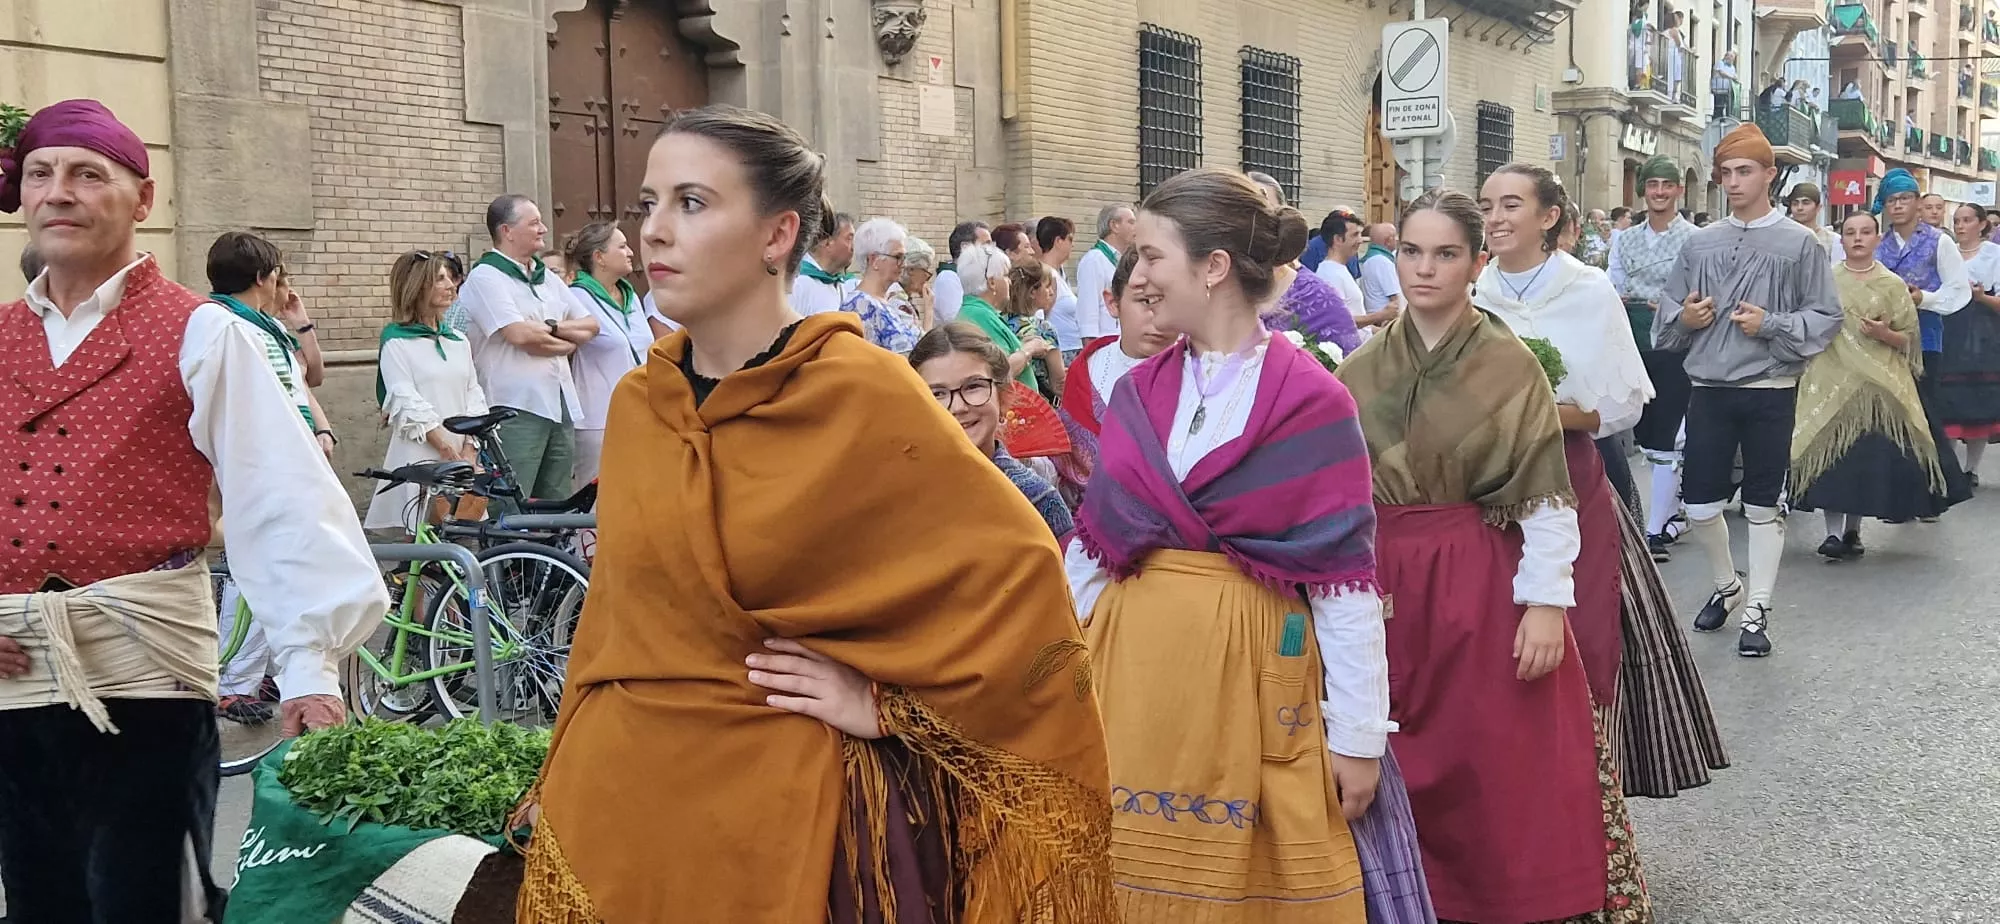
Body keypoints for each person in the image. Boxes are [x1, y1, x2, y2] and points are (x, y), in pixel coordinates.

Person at [516, 103, 1113, 923]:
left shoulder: (864, 395)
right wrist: (564, 770)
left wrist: (887, 705)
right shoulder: (639, 405)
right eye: (648, 204)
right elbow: (617, 614)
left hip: (797, 822)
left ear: (776, 235)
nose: (654, 230)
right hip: (623, 818)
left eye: (691, 203)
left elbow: (1016, 580)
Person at [0, 97, 386, 922]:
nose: (58, 192)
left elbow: (278, 495)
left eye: (86, 174)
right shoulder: (0, 339)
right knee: (35, 899)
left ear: (142, 200)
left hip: (149, 676)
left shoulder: (205, 334)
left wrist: (309, 666)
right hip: (14, 673)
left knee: (144, 901)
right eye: (41, 173)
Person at [1069, 166, 1431, 924]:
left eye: (1153, 255)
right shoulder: (1138, 392)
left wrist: (1360, 734)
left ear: (1214, 267)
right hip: (1129, 679)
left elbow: (1343, 584)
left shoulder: (1312, 401)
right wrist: (1051, 677)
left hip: (1252, 678)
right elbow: (1093, 556)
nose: (1139, 274)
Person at [1337, 187, 1650, 924]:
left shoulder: (1509, 365)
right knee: (1394, 745)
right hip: (1386, 582)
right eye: (1411, 251)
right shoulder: (1361, 368)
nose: (1424, 269)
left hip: (1480, 577)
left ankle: (1504, 901)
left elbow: (1544, 497)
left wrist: (1545, 604)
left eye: (1446, 254)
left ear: (1477, 263)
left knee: (1490, 755)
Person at [1473, 164, 1727, 800]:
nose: (1496, 218)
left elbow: (1618, 407)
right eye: (1487, 206)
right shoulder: (1475, 292)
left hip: (1568, 477)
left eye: (1511, 205)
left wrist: (1532, 414)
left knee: (1583, 628)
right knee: (1489, 641)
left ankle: (1584, 790)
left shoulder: (1587, 290)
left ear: (1549, 217)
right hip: (1481, 488)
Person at [1657, 123, 1842, 658]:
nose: (1733, 182)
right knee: (1699, 505)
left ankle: (1757, 609)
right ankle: (1727, 584)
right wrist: (1687, 317)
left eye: (1744, 172)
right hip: (1709, 387)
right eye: (1726, 173)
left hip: (1771, 387)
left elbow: (1826, 316)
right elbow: (1668, 317)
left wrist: (1773, 325)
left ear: (1769, 174)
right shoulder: (1700, 242)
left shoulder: (1799, 243)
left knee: (1764, 505)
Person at [1793, 212, 1964, 559]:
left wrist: (1885, 334)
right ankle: (1831, 534)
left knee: (1862, 461)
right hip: (1831, 378)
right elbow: (1808, 323)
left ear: (1876, 239)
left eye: (1866, 232)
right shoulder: (1825, 281)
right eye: (1850, 232)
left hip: (1879, 386)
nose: (1857, 238)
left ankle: (1852, 531)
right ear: (1841, 240)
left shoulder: (1892, 284)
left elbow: (1909, 340)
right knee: (1831, 460)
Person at [460, 193, 598, 507]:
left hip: (559, 401)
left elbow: (591, 325)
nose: (544, 229)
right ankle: (511, 558)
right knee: (512, 503)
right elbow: (519, 334)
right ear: (507, 231)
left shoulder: (546, 277)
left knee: (557, 502)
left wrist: (550, 330)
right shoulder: (487, 277)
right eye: (534, 223)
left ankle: (549, 558)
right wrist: (564, 338)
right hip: (514, 407)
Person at [1609, 155, 1700, 560]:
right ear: (1643, 191)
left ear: (1679, 190)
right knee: (1639, 435)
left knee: (1667, 436)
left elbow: (1695, 292)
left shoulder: (1694, 239)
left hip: (1674, 344)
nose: (1660, 192)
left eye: (1667, 184)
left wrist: (1661, 302)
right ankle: (1665, 512)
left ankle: (1655, 529)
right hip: (1630, 342)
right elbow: (1615, 284)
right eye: (1652, 185)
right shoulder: (1624, 239)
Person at [1876, 169, 1976, 515]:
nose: (1899, 205)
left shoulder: (1938, 241)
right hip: (1883, 343)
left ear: (1918, 203)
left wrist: (1925, 300)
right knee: (1890, 420)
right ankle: (1897, 497)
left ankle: (1935, 492)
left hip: (1926, 339)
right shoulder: (1878, 245)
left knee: (1923, 415)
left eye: (1905, 198)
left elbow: (1958, 291)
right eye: (1892, 200)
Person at [911, 324, 1073, 535]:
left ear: (1004, 395)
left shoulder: (1036, 498)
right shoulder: (900, 492)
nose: (958, 407)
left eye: (973, 386)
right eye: (938, 393)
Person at [367, 250, 485, 532]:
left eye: (449, 278)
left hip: (460, 450)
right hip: (421, 449)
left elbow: (474, 392)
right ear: (418, 287)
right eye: (439, 279)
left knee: (465, 531)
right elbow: (403, 398)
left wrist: (469, 447)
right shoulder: (397, 341)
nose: (451, 285)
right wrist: (443, 447)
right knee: (420, 534)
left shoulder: (457, 340)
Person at [1055, 247, 1175, 501]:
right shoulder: (1088, 367)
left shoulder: (1206, 372)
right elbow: (1069, 461)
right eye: (1146, 301)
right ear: (1112, 302)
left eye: (1173, 302)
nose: (1162, 319)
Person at [565, 220, 655, 485]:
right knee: (596, 500)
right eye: (623, 246)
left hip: (641, 412)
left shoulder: (631, 297)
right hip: (598, 417)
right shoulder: (575, 297)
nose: (630, 253)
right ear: (599, 257)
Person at [1247, 171, 1365, 358]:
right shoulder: (1211, 292)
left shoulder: (1317, 299)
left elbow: (1346, 373)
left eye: (1263, 212)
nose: (1251, 225)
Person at [1937, 202, 2000, 486]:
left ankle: (1970, 469)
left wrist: (1981, 297)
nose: (1960, 226)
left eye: (1966, 220)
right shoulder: (1946, 252)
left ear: (1982, 223)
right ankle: (1949, 468)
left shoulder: (1994, 256)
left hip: (1982, 331)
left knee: (1979, 402)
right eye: (1957, 220)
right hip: (1949, 330)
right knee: (1948, 402)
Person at [954, 242, 1051, 390]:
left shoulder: (977, 312)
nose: (1010, 282)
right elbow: (1000, 371)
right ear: (992, 282)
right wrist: (1029, 349)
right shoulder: (979, 315)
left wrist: (1020, 344)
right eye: (1005, 276)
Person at [840, 216, 924, 355]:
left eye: (904, 257)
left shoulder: (887, 301)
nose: (904, 264)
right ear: (874, 260)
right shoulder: (860, 305)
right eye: (898, 257)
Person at [1004, 257, 1068, 398]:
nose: (1051, 292)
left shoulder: (999, 322)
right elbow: (1058, 384)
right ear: (1033, 291)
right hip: (1038, 405)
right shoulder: (1043, 329)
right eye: (1047, 286)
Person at [1078, 203, 1137, 342]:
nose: (1136, 228)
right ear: (1114, 225)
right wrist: (1091, 351)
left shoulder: (1121, 259)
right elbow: (1088, 312)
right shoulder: (1094, 260)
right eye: (1131, 222)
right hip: (1103, 343)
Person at [789, 210, 855, 316]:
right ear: (827, 242)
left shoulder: (842, 286)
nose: (853, 247)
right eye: (849, 238)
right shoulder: (798, 283)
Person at [1037, 216, 1083, 363]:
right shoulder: (1047, 275)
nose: (1072, 245)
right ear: (1058, 241)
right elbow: (1039, 317)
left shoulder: (1059, 273)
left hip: (1071, 349)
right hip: (1063, 352)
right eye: (1070, 239)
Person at [931, 219, 987, 323]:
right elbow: (958, 320)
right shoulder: (948, 278)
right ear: (965, 247)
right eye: (985, 245)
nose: (990, 251)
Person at [1358, 223, 1404, 319]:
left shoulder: (1367, 258)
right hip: (1384, 320)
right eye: (1394, 237)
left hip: (1372, 315)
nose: (1397, 240)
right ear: (1388, 241)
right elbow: (1395, 298)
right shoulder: (1382, 262)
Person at [1786, 183, 1839, 256]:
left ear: (1818, 208)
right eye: (1795, 204)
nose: (1799, 208)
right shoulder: (1783, 237)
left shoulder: (1832, 240)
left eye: (1806, 203)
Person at [1712, 50, 1740, 119]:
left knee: (1727, 107)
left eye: (1733, 58)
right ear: (1726, 56)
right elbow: (1721, 73)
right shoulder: (1720, 63)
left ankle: (1726, 118)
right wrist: (1731, 77)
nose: (1731, 59)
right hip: (1718, 89)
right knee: (1718, 107)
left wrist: (1735, 78)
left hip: (1727, 91)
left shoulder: (1732, 67)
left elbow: (1734, 76)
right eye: (1730, 57)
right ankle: (1717, 119)